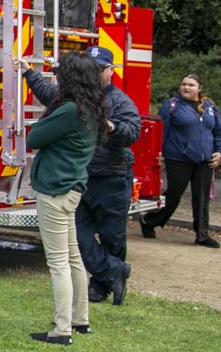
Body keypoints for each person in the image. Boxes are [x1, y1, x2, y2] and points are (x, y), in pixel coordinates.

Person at [21, 46, 139, 305]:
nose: (95, 74)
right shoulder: (77, 100)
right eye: (91, 69)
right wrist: (29, 74)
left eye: (100, 69)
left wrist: (112, 126)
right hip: (83, 178)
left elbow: (133, 131)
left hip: (111, 176)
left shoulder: (120, 101)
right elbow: (48, 93)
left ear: (111, 71)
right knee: (80, 239)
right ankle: (112, 271)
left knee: (112, 236)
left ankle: (101, 286)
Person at [17, 51, 107, 345]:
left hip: (55, 190)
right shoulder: (90, 106)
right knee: (73, 258)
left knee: (58, 263)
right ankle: (80, 320)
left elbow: (34, 137)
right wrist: (30, 73)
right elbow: (49, 95)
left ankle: (61, 328)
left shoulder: (70, 110)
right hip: (71, 189)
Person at [140, 73, 221, 248]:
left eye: (191, 85)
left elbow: (219, 132)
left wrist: (219, 151)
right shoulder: (171, 106)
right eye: (184, 84)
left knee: (201, 197)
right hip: (178, 157)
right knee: (174, 194)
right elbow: (161, 131)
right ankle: (149, 221)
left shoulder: (209, 106)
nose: (186, 87)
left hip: (205, 159)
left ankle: (202, 235)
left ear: (199, 88)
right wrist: (158, 153)